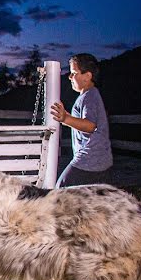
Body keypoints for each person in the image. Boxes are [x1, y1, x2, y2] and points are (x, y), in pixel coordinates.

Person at [49, 53, 113, 187]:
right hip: (100, 160)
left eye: (74, 73)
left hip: (89, 159)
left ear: (87, 76)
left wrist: (66, 118)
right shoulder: (90, 95)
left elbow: (90, 126)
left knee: (61, 191)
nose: (70, 77)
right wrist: (67, 116)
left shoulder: (89, 96)